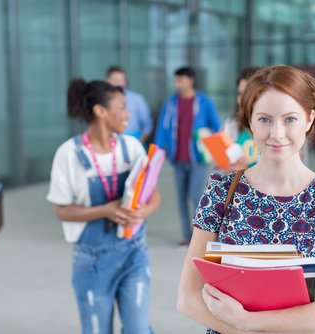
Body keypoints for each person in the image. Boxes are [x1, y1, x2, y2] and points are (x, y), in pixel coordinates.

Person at [177, 65, 315, 334]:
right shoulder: (220, 190)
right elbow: (188, 298)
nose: (276, 133)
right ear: (249, 120)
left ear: (309, 119)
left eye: (289, 119)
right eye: (264, 119)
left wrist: (248, 323)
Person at [47, 79, 161, 334]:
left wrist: (144, 211)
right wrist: (106, 210)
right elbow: (61, 210)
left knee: (139, 329)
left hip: (134, 252)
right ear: (100, 111)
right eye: (121, 107)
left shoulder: (131, 147)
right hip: (92, 261)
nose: (127, 114)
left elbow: (154, 195)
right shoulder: (68, 155)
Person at [154, 66, 221, 246]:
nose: (177, 83)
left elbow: (217, 128)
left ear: (190, 80)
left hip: (198, 159)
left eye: (180, 80)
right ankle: (187, 236)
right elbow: (162, 130)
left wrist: (219, 156)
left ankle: (199, 237)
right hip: (178, 158)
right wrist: (156, 155)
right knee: (181, 199)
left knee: (196, 196)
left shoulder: (204, 102)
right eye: (176, 80)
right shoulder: (170, 103)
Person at [221, 66, 260, 174]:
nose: (243, 99)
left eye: (248, 94)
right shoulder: (230, 125)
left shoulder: (279, 128)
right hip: (239, 188)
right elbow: (220, 169)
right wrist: (228, 168)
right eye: (240, 94)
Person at [106, 66, 153, 143]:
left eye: (120, 80)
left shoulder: (137, 99)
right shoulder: (102, 100)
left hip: (134, 139)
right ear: (107, 81)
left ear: (125, 81)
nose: (117, 83)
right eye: (114, 80)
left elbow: (147, 124)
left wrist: (140, 141)